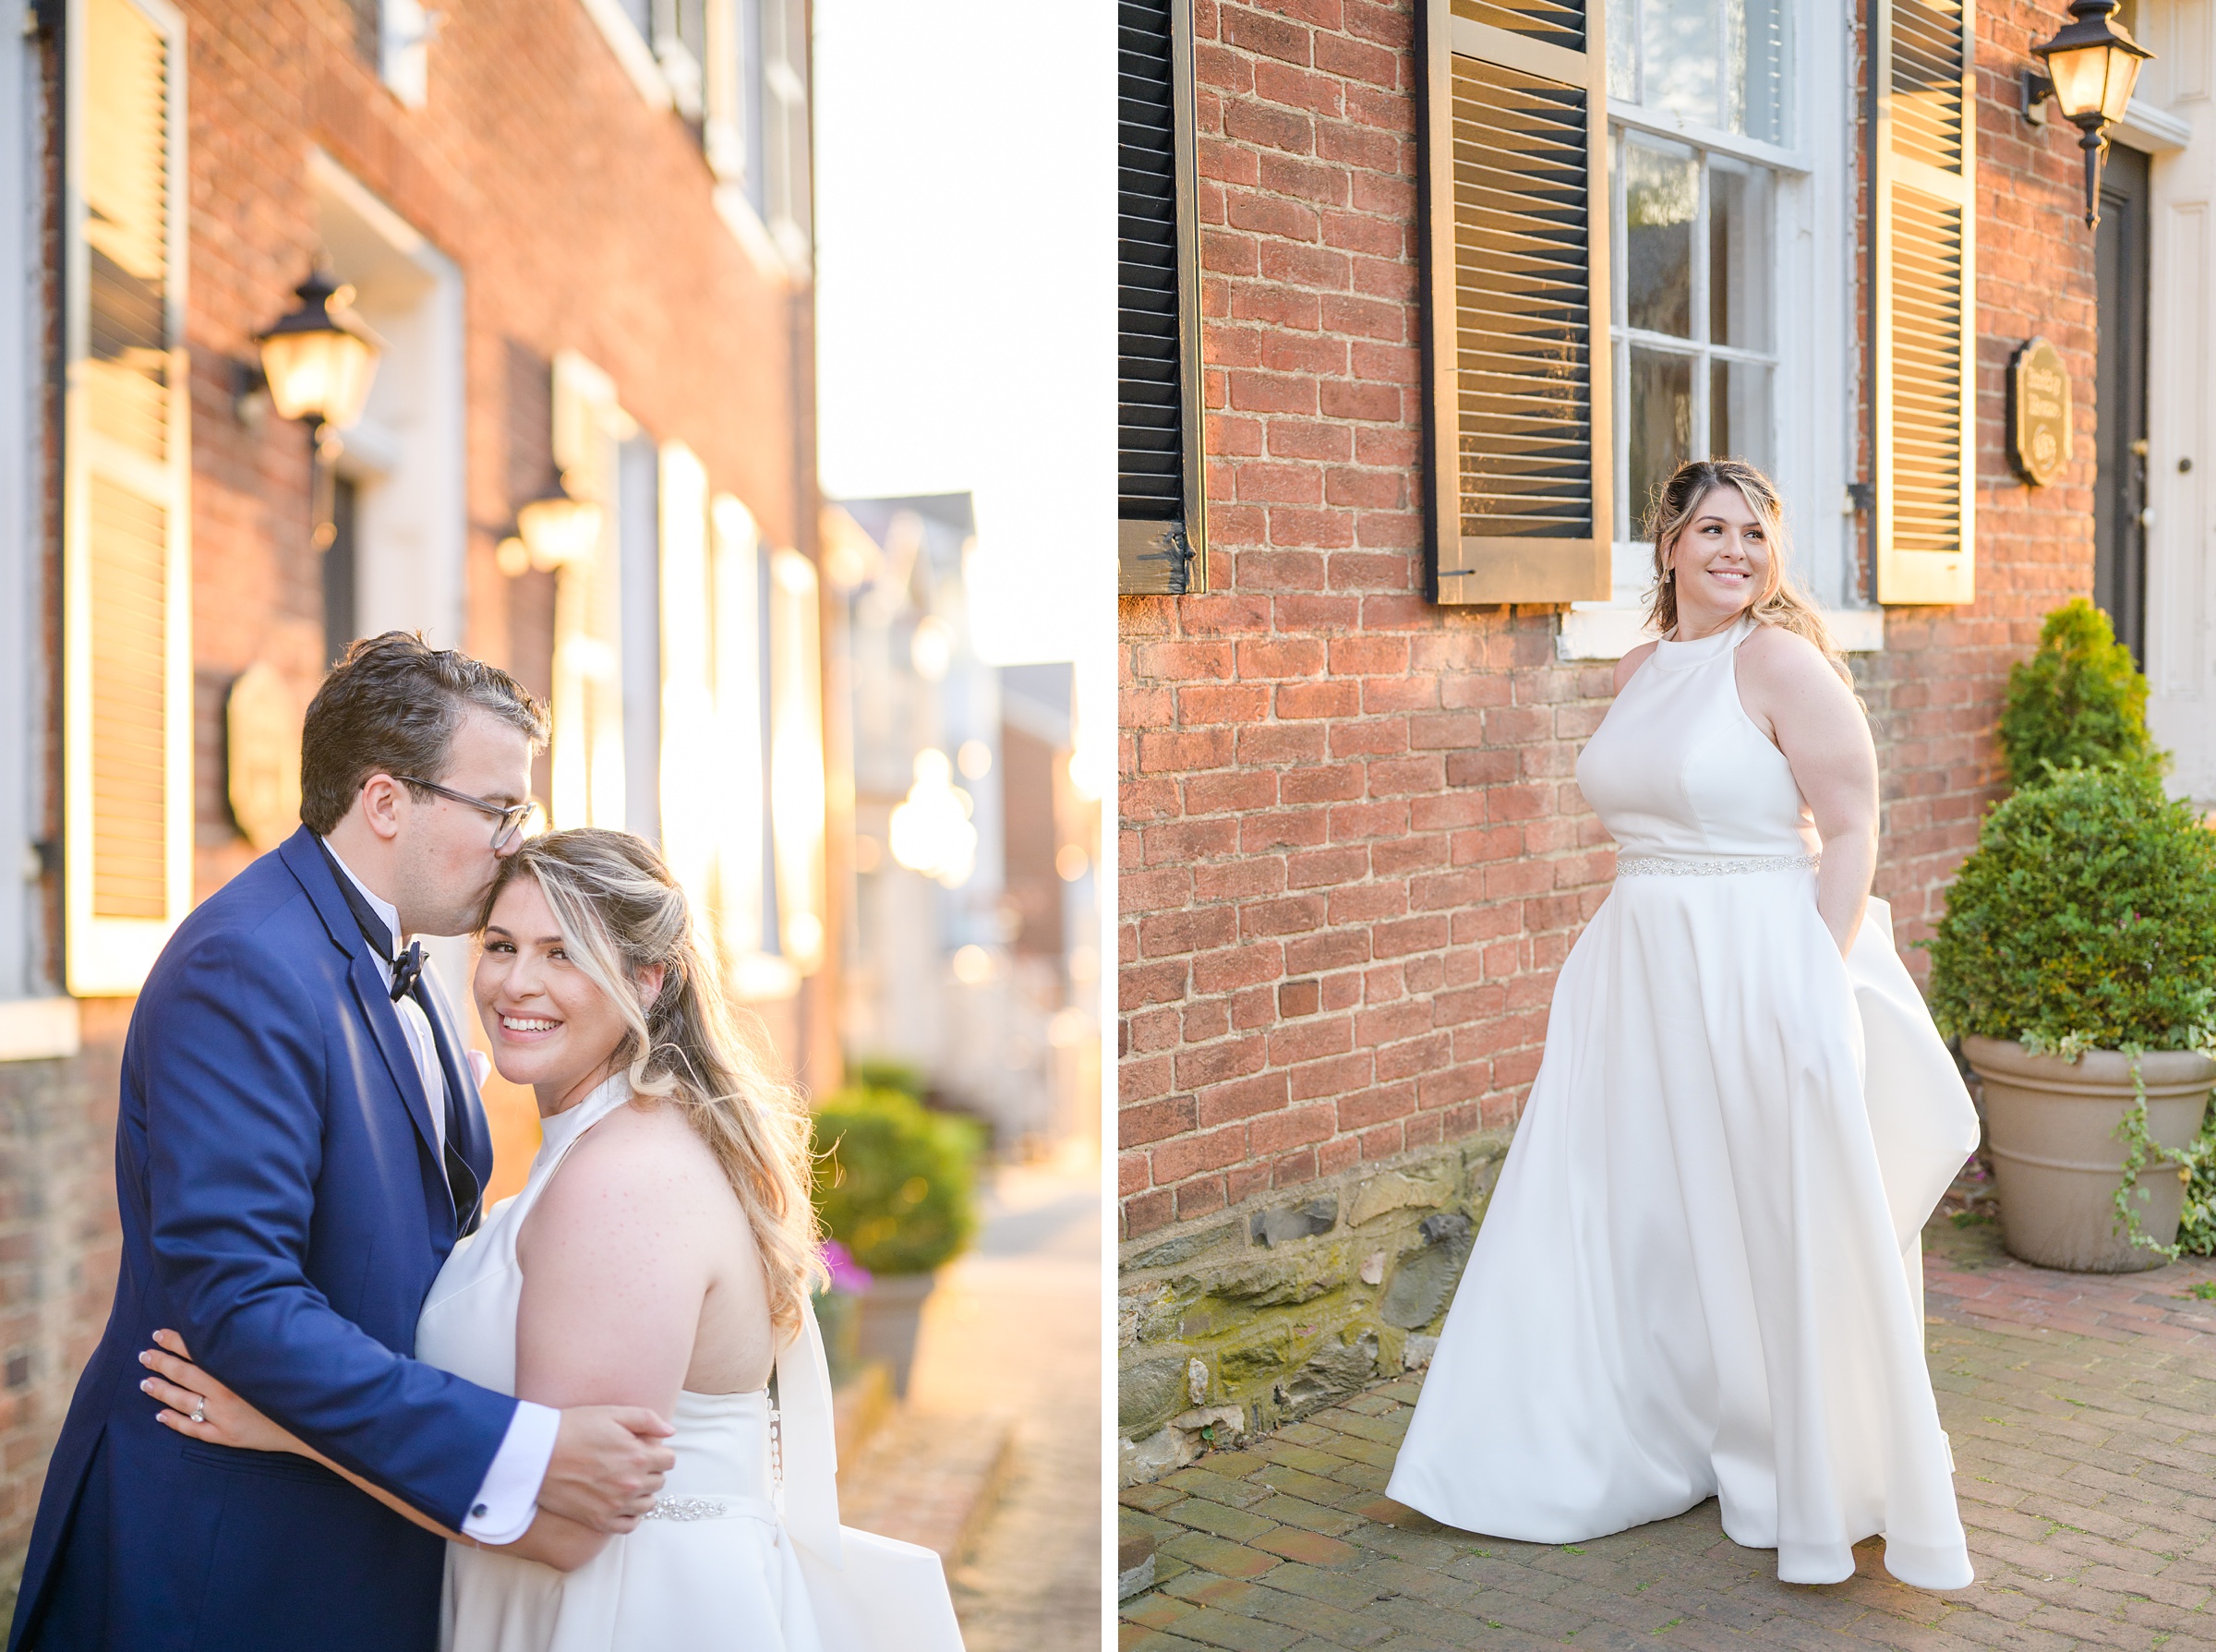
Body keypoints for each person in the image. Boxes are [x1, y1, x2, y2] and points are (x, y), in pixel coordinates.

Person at [134, 829, 965, 1651]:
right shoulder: (603, 1144)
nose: (516, 983)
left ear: (649, 981)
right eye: (501, 945)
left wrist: (290, 1428)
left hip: (628, 1613)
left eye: (564, 954)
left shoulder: (626, 1178)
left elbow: (562, 1521)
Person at [7, 635, 677, 1652]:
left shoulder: (407, 958)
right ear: (386, 801)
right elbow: (241, 1301)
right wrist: (515, 1447)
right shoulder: (247, 964)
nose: (514, 844)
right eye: (498, 810)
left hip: (351, 1527)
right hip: (225, 1559)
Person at [1384, 460, 1981, 1590]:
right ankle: (1588, 1436)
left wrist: (1812, 970)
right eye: (1712, 528)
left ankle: (1805, 1460)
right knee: (1630, 1210)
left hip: (1761, 959)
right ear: (1667, 544)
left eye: (1756, 535)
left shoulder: (1782, 663)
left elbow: (1852, 826)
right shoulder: (1641, 666)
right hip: (1638, 971)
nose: (1735, 552)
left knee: (1772, 1211)